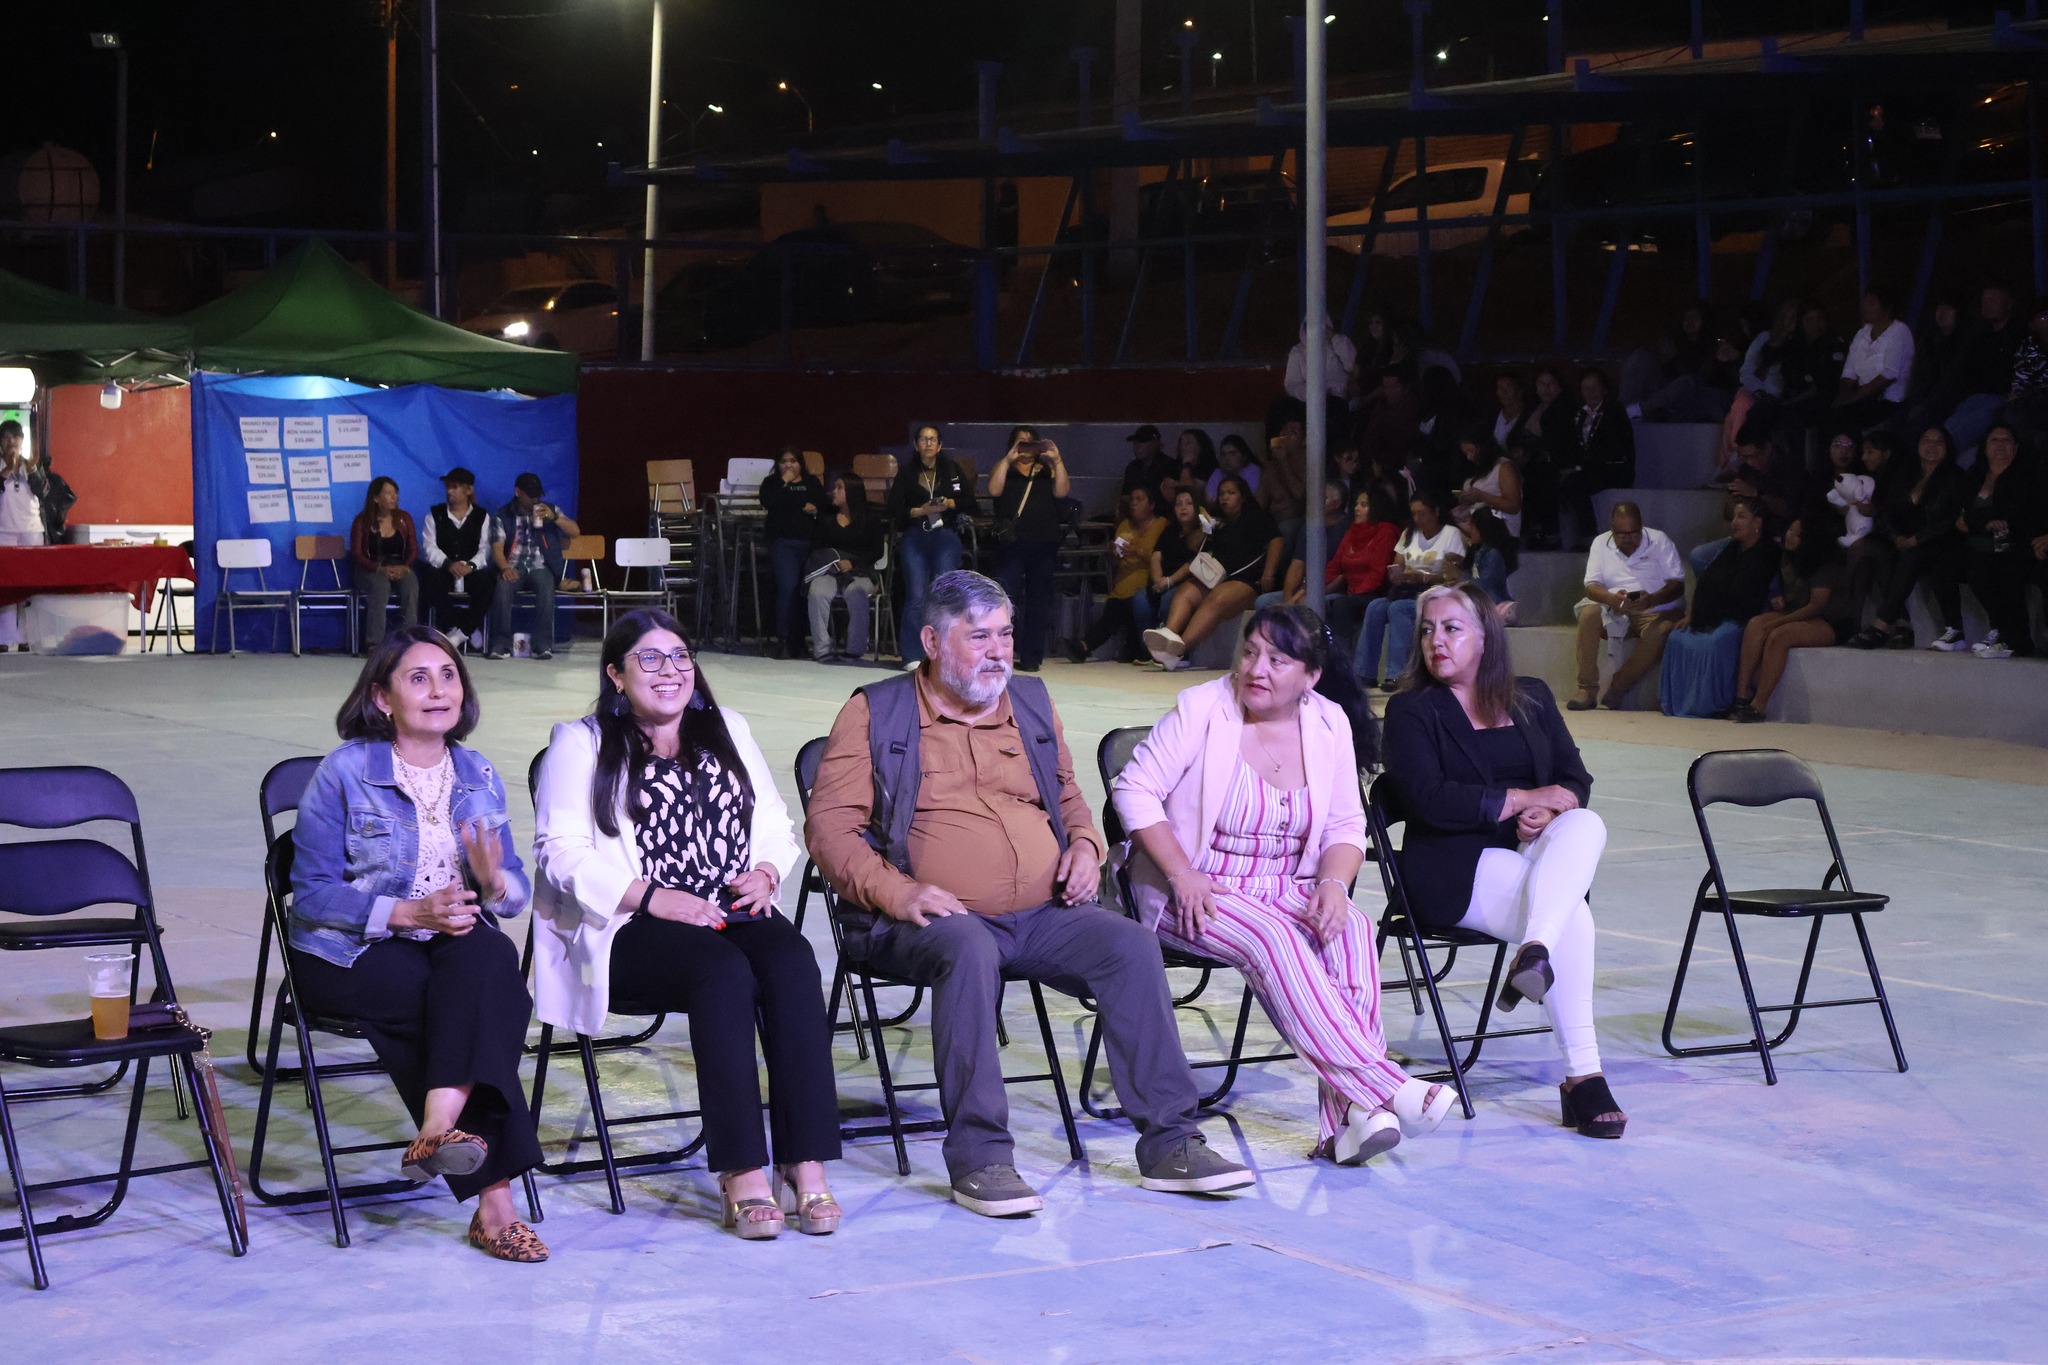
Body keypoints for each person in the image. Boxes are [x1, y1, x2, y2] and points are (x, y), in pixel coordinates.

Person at [805, 570, 1256, 1215]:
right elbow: (831, 833)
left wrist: (1083, 847)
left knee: (1129, 945)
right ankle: (982, 1161)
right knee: (967, 948)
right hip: (924, 918)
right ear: (932, 641)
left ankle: (1172, 1143)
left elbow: (1069, 796)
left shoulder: (1032, 701)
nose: (999, 651)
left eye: (1006, 635)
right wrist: (899, 894)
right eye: (979, 636)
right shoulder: (876, 710)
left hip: (1043, 913)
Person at [532, 610, 838, 1239]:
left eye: (679, 656)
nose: (669, 671)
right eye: (649, 659)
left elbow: (775, 821)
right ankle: (742, 1172)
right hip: (628, 923)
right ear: (616, 674)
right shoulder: (581, 743)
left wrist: (768, 871)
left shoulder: (727, 728)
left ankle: (804, 1165)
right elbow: (559, 851)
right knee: (721, 971)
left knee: (792, 961)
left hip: (728, 904)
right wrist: (650, 897)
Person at [1115, 605, 1454, 1164]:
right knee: (1275, 938)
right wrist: (1181, 872)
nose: (1257, 668)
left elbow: (1347, 825)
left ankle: (1349, 1121)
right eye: (1249, 652)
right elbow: (1134, 791)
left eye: (1277, 659)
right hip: (1196, 889)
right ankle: (1387, 1087)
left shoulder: (1327, 722)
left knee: (1351, 930)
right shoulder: (1202, 708)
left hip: (1281, 884)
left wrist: (1334, 886)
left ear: (1311, 677)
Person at [288, 625, 546, 1261]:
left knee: (493, 960)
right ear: (382, 697)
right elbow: (312, 894)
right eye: (418, 678)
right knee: (468, 1001)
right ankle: (495, 1203)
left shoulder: (478, 773)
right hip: (350, 948)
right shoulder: (344, 771)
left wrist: (493, 884)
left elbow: (513, 892)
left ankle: (437, 1127)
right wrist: (406, 912)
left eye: (450, 675)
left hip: (450, 939)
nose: (439, 690)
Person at [1381, 582, 1625, 1140]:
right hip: (1452, 864)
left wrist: (1547, 811)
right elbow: (1427, 799)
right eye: (1427, 630)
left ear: (1486, 637)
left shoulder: (1532, 696)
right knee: (1572, 918)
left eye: (1450, 628)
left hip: (1536, 850)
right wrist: (1520, 801)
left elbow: (1573, 779)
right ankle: (1583, 1076)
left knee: (1586, 822)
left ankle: (1533, 953)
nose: (1435, 641)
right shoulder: (1412, 710)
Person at [1846, 426, 1968, 651]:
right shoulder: (1906, 474)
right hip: (1904, 540)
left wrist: (1917, 539)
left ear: (1947, 447)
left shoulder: (1955, 476)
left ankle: (1881, 625)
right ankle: (1897, 623)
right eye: (1926, 439)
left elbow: (1953, 520)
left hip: (1939, 542)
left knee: (1915, 555)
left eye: (1938, 441)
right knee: (1875, 552)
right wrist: (1896, 537)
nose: (1932, 445)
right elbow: (1887, 511)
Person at [1143, 474, 1282, 671]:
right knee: (1186, 591)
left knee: (1215, 599)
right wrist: (1206, 528)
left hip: (1247, 580)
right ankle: (1168, 634)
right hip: (1216, 577)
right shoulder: (1218, 522)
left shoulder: (1257, 517)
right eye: (1222, 494)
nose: (1225, 497)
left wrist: (1269, 574)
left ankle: (1178, 650)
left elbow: (1276, 542)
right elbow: (1192, 546)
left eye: (1231, 493)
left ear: (1243, 497)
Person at [1659, 498, 1782, 717]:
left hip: (1742, 619)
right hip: (1710, 616)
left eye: (1741, 517)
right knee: (1676, 637)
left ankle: (1713, 706)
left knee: (1714, 643)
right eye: (1734, 517)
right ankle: (1679, 704)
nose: (1734, 522)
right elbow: (1704, 583)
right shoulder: (1727, 550)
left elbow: (1771, 595)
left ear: (1758, 523)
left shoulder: (1770, 554)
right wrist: (1690, 614)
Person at [1728, 517, 1855, 721]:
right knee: (1755, 625)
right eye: (1789, 530)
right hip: (1796, 610)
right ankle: (1741, 696)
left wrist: (1778, 622)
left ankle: (1759, 705)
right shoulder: (1788, 557)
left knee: (1779, 636)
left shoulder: (1825, 564)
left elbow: (1816, 605)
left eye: (1796, 534)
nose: (1789, 536)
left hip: (1830, 620)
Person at [1567, 502, 1686, 711]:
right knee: (1588, 614)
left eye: (1634, 533)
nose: (1629, 539)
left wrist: (1652, 599)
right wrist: (1612, 599)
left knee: (1662, 630)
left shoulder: (1659, 540)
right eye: (1622, 534)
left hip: (1654, 609)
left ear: (1641, 527)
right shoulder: (1600, 542)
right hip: (1615, 608)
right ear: (1612, 529)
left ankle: (1619, 687)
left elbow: (1677, 585)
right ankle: (1586, 688)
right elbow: (1591, 586)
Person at [1355, 490, 1465, 688]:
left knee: (1399, 609)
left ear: (1436, 512)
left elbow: (1453, 575)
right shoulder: (1409, 534)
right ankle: (1364, 672)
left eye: (1422, 513)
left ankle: (1397, 673)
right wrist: (1399, 576)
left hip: (1435, 593)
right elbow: (1398, 564)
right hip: (1408, 589)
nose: (1417, 518)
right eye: (1414, 513)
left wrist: (1423, 576)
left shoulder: (1451, 534)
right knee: (1375, 607)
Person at [889, 424, 977, 667]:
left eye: (932, 439)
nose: (928, 444)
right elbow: (894, 509)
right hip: (916, 534)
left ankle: (946, 653)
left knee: (944, 594)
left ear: (939, 445)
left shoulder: (952, 470)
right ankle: (913, 655)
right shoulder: (906, 472)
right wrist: (920, 510)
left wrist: (949, 502)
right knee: (916, 594)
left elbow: (970, 502)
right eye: (923, 439)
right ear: (916, 445)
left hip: (944, 534)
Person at [1954, 423, 2042, 658]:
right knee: (1966, 568)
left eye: (2007, 440)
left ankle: (2014, 638)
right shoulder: (1974, 475)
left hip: (2015, 542)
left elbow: (2017, 513)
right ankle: (2000, 632)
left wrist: (1979, 520)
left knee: (2002, 568)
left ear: (2015, 447)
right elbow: (1962, 515)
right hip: (1975, 543)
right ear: (1984, 447)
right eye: (1995, 440)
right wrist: (1984, 521)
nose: (2001, 445)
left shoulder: (2025, 475)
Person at [987, 425, 1069, 673]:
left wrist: (1056, 459)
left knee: (1038, 599)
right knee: (1006, 598)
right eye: (1019, 443)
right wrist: (1007, 459)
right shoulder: (1005, 468)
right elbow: (994, 490)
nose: (1024, 448)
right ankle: (1001, 653)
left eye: (1029, 443)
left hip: (1043, 540)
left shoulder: (1047, 470)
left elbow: (1063, 491)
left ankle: (1032, 656)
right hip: (1012, 542)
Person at [486, 472, 580, 661]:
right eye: (531, 495)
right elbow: (497, 549)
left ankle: (542, 644)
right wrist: (505, 568)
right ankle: (500, 643)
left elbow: (575, 531)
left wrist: (554, 518)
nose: (535, 499)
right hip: (513, 565)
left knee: (546, 585)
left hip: (540, 566)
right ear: (518, 492)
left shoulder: (549, 510)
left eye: (538, 495)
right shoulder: (503, 515)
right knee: (503, 586)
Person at [1068, 485, 1165, 663]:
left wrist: (1138, 552)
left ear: (1151, 504)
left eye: (1139, 499)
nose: (1134, 504)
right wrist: (1113, 553)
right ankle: (1089, 646)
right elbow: (1115, 563)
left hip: (1146, 584)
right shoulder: (1124, 525)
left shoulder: (1161, 525)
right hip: (1122, 585)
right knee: (1114, 609)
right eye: (1132, 500)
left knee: (1122, 610)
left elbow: (1163, 559)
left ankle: (1085, 645)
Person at [0, 419, 73, 650]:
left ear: (22, 441)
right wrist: (7, 470)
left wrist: (31, 469)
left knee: (30, 584)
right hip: (4, 531)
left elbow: (44, 492)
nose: (11, 441)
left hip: (32, 530)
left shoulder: (30, 464)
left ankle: (25, 638)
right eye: (6, 437)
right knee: (6, 585)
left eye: (15, 437)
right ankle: (4, 637)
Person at [807, 472, 884, 662]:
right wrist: (830, 563)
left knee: (856, 592)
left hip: (859, 571)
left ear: (851, 491)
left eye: (839, 487)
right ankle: (822, 648)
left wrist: (853, 563)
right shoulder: (827, 518)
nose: (834, 491)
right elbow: (817, 547)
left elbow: (877, 551)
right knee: (817, 591)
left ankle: (855, 648)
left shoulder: (869, 518)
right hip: (831, 570)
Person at [419, 467, 497, 651]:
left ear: (468, 490)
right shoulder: (435, 515)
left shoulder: (481, 516)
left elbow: (485, 549)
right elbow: (429, 547)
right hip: (444, 569)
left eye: (454, 487)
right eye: (448, 487)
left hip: (471, 570)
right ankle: (466, 629)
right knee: (431, 581)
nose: (449, 491)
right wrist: (448, 564)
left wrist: (470, 565)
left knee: (488, 584)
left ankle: (458, 635)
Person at [760, 446, 826, 660]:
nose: (788, 465)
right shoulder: (772, 483)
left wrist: (815, 509)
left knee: (803, 592)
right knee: (787, 588)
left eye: (793, 461)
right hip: (783, 543)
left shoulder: (812, 483)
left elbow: (824, 506)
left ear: (801, 464)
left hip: (808, 544)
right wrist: (784, 481)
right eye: (784, 461)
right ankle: (784, 640)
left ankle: (801, 641)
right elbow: (768, 502)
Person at [1558, 368, 1636, 551]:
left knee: (1575, 482)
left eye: (1595, 387)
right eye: (1586, 388)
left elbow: (1611, 448)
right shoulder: (1579, 414)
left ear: (1604, 389)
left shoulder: (1614, 411)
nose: (1590, 392)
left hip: (1613, 468)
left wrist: (1579, 468)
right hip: (1589, 468)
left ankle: (1590, 535)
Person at [1321, 485, 1399, 652]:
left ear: (1376, 508)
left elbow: (1378, 572)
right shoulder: (1352, 532)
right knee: (1320, 604)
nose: (1356, 508)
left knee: (1341, 604)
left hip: (1374, 595)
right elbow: (1334, 565)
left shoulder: (1386, 531)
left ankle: (1344, 662)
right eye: (1357, 504)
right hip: (1351, 594)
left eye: (1363, 505)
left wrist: (1355, 594)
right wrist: (1315, 587)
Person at [1452, 430, 1522, 615]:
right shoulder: (1475, 474)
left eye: (1471, 450)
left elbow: (1514, 504)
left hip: (1499, 532)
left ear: (1482, 447)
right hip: (1477, 532)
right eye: (1465, 453)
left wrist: (1481, 496)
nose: (1469, 457)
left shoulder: (1503, 467)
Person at [349, 476, 420, 651]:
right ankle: (375, 643)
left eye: (395, 493)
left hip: (399, 566)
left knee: (411, 584)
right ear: (375, 498)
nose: (393, 497)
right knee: (380, 586)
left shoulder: (404, 519)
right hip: (370, 568)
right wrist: (379, 569)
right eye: (388, 493)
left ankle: (408, 639)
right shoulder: (361, 521)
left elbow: (413, 549)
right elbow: (357, 554)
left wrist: (405, 566)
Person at [1834, 287, 1915, 434]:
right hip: (1863, 397)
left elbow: (1887, 376)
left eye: (1872, 303)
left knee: (1846, 418)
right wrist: (1843, 395)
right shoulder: (1863, 333)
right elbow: (1849, 372)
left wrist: (1852, 398)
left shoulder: (1899, 331)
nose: (1865, 307)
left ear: (1887, 308)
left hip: (1887, 400)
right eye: (1865, 303)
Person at [1261, 410, 1310, 541]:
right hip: (1273, 523)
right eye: (1283, 430)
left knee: (1286, 529)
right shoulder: (1271, 467)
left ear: (1304, 440)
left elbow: (1299, 495)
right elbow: (1259, 502)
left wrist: (1283, 461)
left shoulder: (1310, 465)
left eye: (1292, 432)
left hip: (1296, 524)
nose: (1284, 435)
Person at [1120, 424, 1178, 505]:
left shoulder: (1169, 465)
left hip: (1162, 514)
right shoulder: (1132, 467)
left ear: (1155, 443)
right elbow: (1125, 496)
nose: (1137, 446)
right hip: (1137, 513)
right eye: (1135, 442)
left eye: (1142, 442)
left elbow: (1171, 498)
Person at [1208, 433, 1263, 503]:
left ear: (1244, 456)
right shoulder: (1218, 473)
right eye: (1223, 455)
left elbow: (1251, 499)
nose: (1227, 459)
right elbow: (1209, 500)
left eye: (1233, 454)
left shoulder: (1253, 471)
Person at [1172, 427, 1218, 498]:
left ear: (1200, 446)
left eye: (1188, 443)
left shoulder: (1209, 465)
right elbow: (1167, 490)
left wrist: (1186, 466)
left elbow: (1190, 493)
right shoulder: (1176, 463)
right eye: (1181, 443)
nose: (1183, 447)